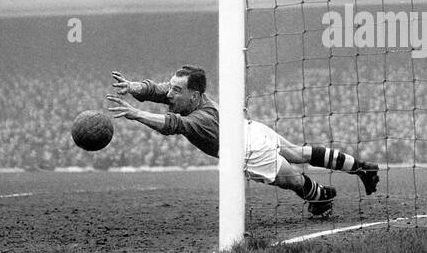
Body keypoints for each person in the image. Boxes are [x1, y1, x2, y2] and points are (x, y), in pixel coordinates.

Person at [106, 65, 379, 218]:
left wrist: (135, 113)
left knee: (294, 179)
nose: (170, 95)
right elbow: (157, 90)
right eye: (172, 88)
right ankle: (362, 167)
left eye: (177, 90)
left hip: (249, 150)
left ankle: (322, 196)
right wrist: (133, 88)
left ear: (195, 94)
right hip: (246, 129)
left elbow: (172, 125)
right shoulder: (190, 98)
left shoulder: (202, 119)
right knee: (298, 152)